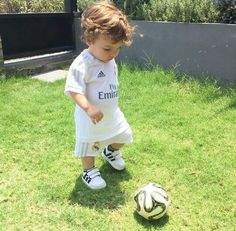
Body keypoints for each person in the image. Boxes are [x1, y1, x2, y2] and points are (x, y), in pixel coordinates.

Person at [64, 0, 135, 190]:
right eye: (108, 49)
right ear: (89, 40)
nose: (113, 54)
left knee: (125, 134)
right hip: (90, 118)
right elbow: (73, 88)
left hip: (111, 114)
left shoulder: (109, 60)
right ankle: (88, 171)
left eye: (118, 48)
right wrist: (88, 107)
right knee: (90, 144)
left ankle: (110, 152)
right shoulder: (83, 63)